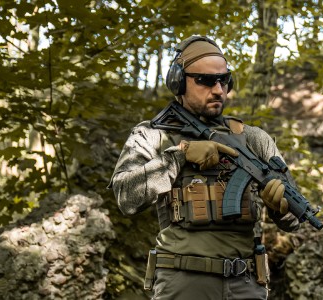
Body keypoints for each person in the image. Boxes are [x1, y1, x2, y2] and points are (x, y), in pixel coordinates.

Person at [110, 36, 299, 300]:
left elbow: (294, 220)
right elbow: (125, 197)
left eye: (224, 80)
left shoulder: (255, 139)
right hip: (183, 282)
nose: (219, 90)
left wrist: (279, 207)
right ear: (178, 82)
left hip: (246, 282)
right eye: (206, 81)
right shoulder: (152, 135)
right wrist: (179, 156)